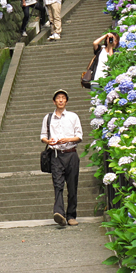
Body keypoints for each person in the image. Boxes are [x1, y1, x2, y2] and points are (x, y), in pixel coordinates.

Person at [40, 90, 83, 227]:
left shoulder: (73, 116)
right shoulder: (48, 118)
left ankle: (71, 215)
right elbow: (42, 136)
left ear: (66, 101)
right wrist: (48, 141)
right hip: (56, 155)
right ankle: (59, 213)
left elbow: (79, 136)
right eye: (58, 98)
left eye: (63, 98)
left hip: (71, 153)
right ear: (54, 101)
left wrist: (67, 139)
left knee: (72, 185)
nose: (60, 100)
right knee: (57, 185)